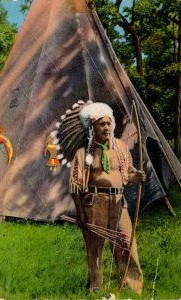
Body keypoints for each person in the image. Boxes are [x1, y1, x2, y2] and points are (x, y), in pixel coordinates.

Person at [68, 102, 145, 294]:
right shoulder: (83, 153)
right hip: (94, 204)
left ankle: (132, 287)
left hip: (119, 203)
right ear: (93, 126)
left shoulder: (119, 147)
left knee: (126, 243)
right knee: (94, 248)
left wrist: (138, 177)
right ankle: (95, 287)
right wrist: (81, 215)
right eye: (102, 124)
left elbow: (129, 173)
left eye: (109, 124)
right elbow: (76, 188)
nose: (106, 128)